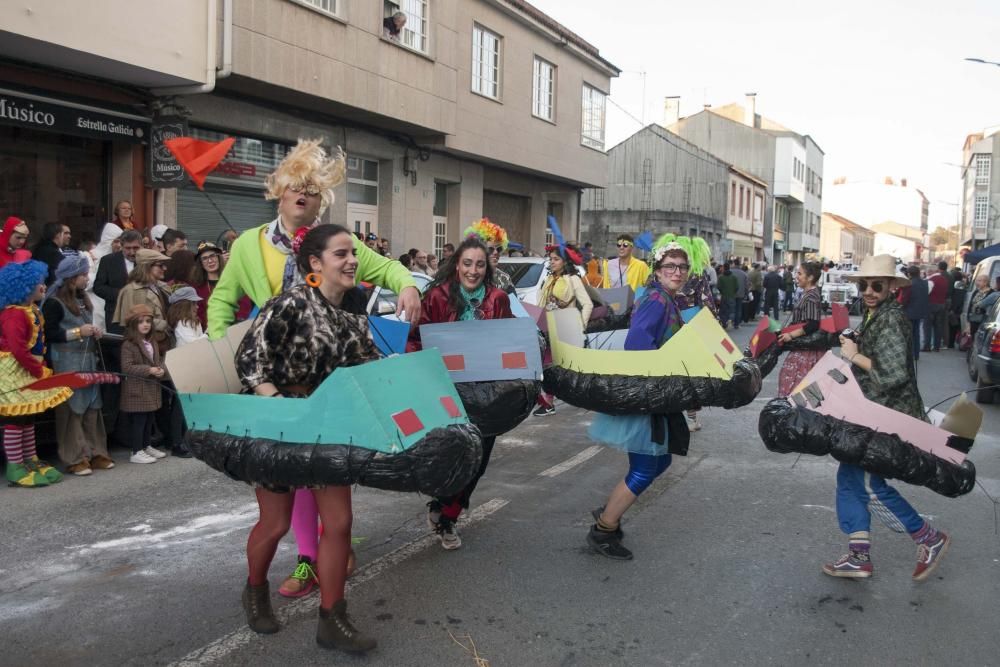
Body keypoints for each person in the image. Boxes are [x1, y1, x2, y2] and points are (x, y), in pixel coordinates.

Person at [206, 138, 419, 602]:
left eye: (313, 190)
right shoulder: (249, 245)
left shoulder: (336, 243)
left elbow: (387, 269)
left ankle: (330, 565)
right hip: (271, 383)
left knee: (327, 483)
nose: (304, 195)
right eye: (296, 188)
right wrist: (219, 357)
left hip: (328, 385)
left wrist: (408, 287)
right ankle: (307, 560)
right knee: (290, 489)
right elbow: (222, 302)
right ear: (280, 193)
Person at [235, 224, 378, 653]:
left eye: (352, 252)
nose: (352, 260)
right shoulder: (292, 302)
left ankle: (332, 619)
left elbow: (365, 372)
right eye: (341, 254)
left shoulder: (351, 315)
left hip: (326, 427)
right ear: (315, 263)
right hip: (278, 426)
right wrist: (280, 404)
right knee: (276, 523)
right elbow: (249, 359)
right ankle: (255, 591)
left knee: (339, 524)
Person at [828, 255, 950, 580]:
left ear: (893, 286)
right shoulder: (876, 314)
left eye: (877, 285)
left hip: (885, 416)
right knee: (851, 478)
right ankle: (859, 555)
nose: (869, 291)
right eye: (864, 284)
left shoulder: (892, 318)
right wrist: (856, 344)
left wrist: (855, 356)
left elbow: (894, 374)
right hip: (870, 413)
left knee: (868, 483)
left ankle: (928, 538)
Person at [586, 234, 705, 560]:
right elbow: (638, 347)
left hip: (657, 395)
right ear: (658, 268)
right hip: (648, 396)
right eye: (671, 266)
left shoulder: (665, 298)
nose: (677, 272)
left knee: (661, 459)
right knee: (645, 467)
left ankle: (611, 508)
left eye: (682, 267)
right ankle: (604, 528)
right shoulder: (656, 300)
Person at [407, 235, 513, 550]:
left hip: (487, 393)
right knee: (450, 454)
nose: (473, 270)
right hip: (445, 389)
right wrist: (422, 367)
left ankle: (448, 516)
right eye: (467, 263)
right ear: (457, 265)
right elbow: (416, 338)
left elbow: (508, 340)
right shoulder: (437, 296)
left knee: (478, 460)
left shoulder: (498, 299)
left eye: (480, 264)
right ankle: (442, 504)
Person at [42, 255, 114, 476]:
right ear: (72, 277)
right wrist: (76, 332)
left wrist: (94, 331)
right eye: (83, 275)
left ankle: (96, 452)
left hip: (88, 359)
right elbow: (49, 333)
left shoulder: (83, 299)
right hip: (66, 362)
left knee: (93, 406)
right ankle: (75, 457)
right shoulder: (54, 302)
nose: (87, 278)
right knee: (72, 410)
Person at [0, 260, 70, 487]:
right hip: (14, 371)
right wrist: (37, 369)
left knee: (29, 418)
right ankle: (15, 465)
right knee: (15, 418)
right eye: (39, 283)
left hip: (28, 368)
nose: (43, 286)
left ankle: (30, 459)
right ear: (24, 287)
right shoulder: (14, 315)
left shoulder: (31, 309)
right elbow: (18, 348)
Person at [535, 244, 592, 416]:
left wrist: (580, 325)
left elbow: (587, 304)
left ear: (564, 261)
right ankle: (546, 401)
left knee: (558, 366)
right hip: (546, 327)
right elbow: (541, 303)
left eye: (556, 259)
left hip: (564, 327)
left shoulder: (572, 279)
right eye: (550, 259)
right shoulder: (548, 278)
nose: (552, 262)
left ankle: (552, 401)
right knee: (544, 365)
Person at [119, 304, 167, 464]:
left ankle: (146, 445)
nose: (145, 324)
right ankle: (136, 451)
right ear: (133, 325)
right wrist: (149, 370)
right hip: (137, 388)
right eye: (140, 322)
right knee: (139, 421)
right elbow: (127, 367)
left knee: (149, 418)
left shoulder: (151, 341)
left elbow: (158, 360)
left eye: (148, 321)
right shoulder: (129, 344)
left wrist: (160, 368)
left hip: (150, 387)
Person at [777, 262, 824, 397]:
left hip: (807, 352)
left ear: (810, 277)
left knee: (796, 386)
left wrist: (791, 335)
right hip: (804, 348)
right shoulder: (808, 294)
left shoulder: (811, 296)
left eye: (800, 273)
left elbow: (812, 324)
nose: (796, 277)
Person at [190, 241, 251, 329]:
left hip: (235, 329)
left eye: (212, 256)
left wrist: (235, 324)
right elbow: (198, 313)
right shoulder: (196, 287)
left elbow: (244, 306)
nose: (210, 261)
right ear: (201, 263)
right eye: (205, 258)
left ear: (219, 258)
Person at [94, 230, 143, 335]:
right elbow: (98, 287)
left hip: (142, 315)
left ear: (141, 246)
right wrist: (122, 293)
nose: (132, 252)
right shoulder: (108, 261)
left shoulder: (147, 261)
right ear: (121, 246)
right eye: (128, 248)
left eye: (135, 248)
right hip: (115, 315)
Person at [464, 218, 514, 294]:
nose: (496, 252)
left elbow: (514, 304)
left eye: (499, 249)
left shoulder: (505, 278)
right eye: (490, 249)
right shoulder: (468, 276)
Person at [897, 265, 929, 361]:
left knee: (907, 334)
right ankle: (916, 354)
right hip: (919, 311)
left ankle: (907, 354)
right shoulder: (925, 283)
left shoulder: (909, 284)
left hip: (908, 311)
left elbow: (905, 298)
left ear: (909, 274)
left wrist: (900, 306)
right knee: (916, 333)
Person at [924, 261, 949, 352]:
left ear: (931, 271)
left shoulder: (930, 281)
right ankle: (937, 346)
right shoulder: (944, 279)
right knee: (938, 326)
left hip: (930, 304)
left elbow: (926, 293)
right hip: (941, 304)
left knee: (927, 326)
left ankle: (927, 346)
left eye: (927, 271)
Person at [967, 274, 994, 340]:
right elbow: (971, 305)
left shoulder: (991, 293)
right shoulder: (976, 291)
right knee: (972, 337)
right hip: (973, 319)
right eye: (976, 280)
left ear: (985, 282)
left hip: (983, 320)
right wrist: (968, 319)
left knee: (980, 338)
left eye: (979, 281)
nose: (976, 282)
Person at [948, 268, 967, 348]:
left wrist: (952, 309)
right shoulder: (963, 285)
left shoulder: (956, 285)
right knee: (956, 327)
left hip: (955, 309)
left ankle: (951, 343)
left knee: (952, 326)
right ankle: (953, 342)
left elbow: (956, 299)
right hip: (960, 309)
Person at [717, 263, 739, 329]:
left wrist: (722, 292)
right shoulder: (734, 277)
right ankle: (730, 321)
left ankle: (724, 323)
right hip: (732, 296)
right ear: (729, 267)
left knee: (723, 311)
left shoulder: (721, 277)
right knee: (731, 310)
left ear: (724, 268)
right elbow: (737, 287)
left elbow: (719, 287)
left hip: (724, 296)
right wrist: (733, 292)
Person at [729, 262, 749, 327]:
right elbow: (746, 285)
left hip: (731, 293)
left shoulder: (730, 272)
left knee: (732, 308)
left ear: (734, 264)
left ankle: (731, 322)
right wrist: (746, 293)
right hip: (741, 293)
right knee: (738, 308)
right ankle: (737, 323)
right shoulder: (744, 274)